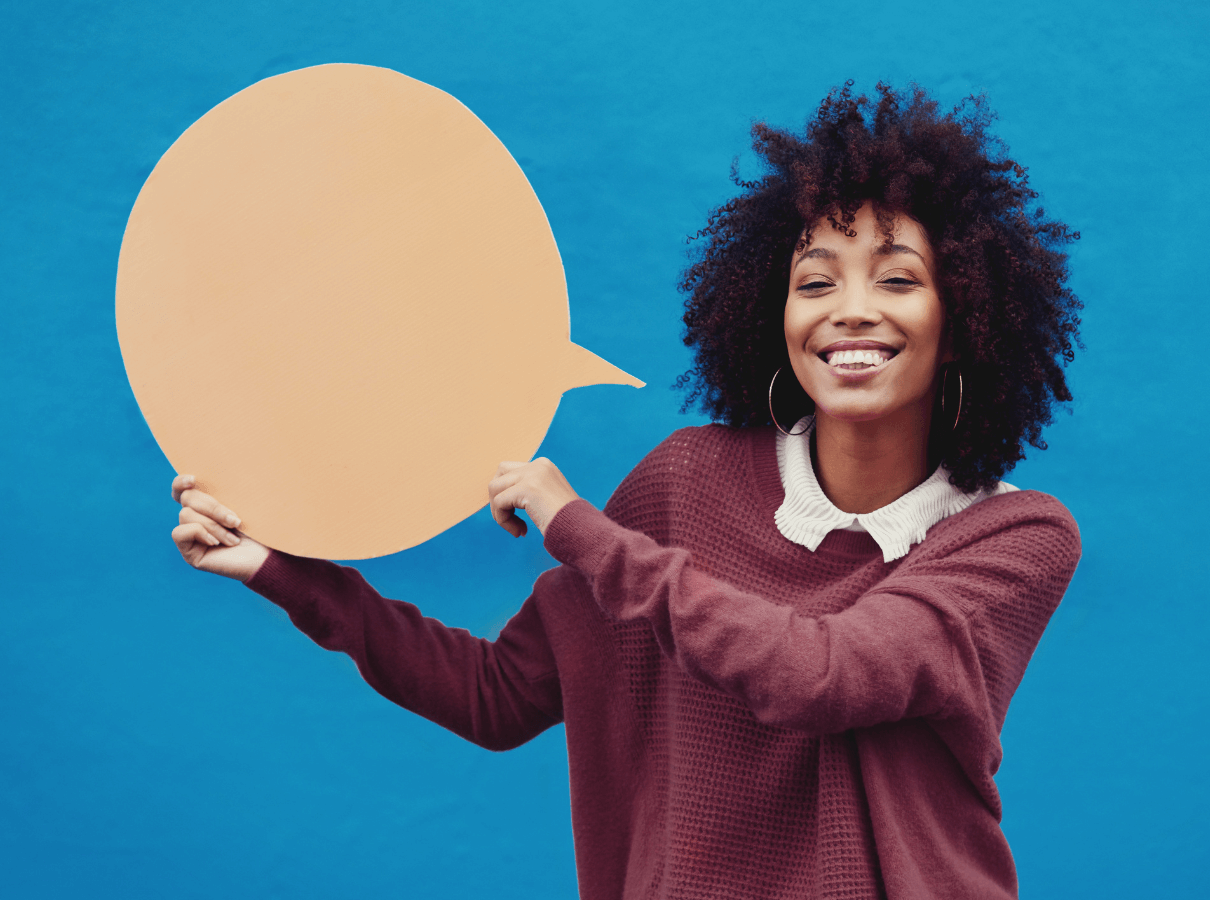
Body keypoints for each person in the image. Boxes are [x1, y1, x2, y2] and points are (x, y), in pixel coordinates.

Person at [170, 82, 1084, 900]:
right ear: (780, 317)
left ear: (961, 320)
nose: (850, 308)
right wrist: (284, 571)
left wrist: (579, 527)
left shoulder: (1011, 538)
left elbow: (826, 673)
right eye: (815, 282)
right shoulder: (686, 480)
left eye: (897, 279)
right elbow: (496, 696)